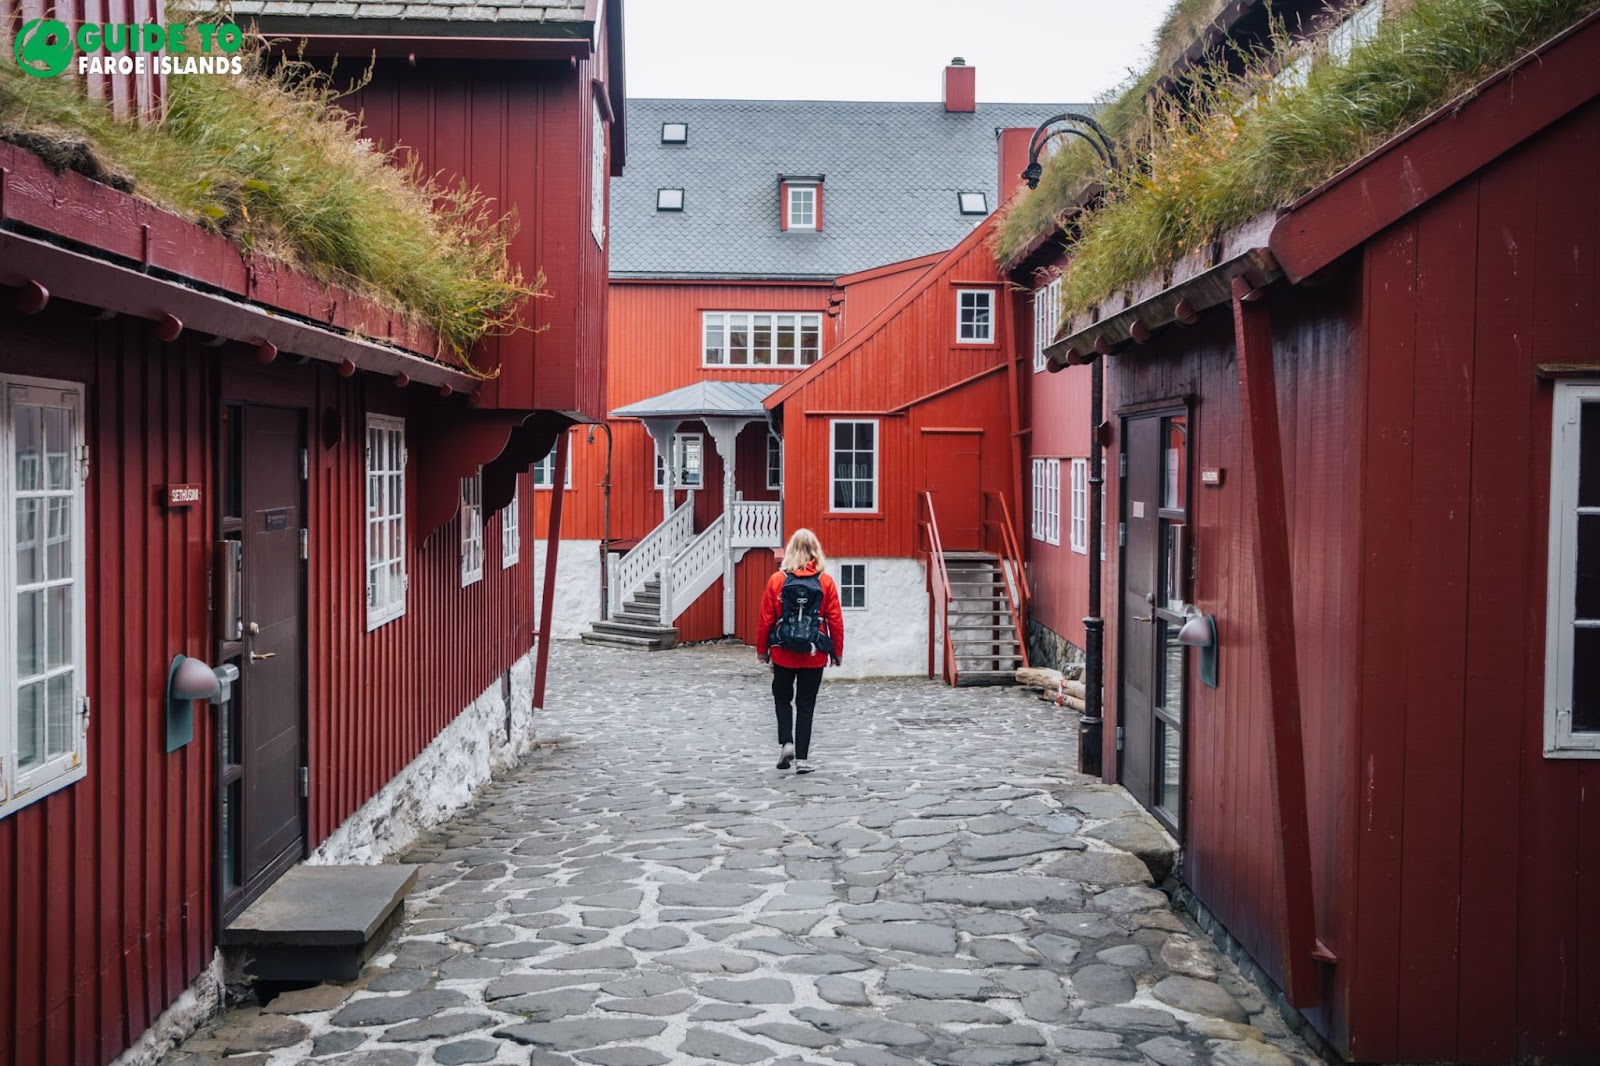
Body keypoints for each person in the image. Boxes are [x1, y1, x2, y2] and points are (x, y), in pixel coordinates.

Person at [756, 529, 845, 775]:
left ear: (790, 551)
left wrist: (762, 650)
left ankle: (787, 742)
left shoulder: (777, 580)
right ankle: (803, 760)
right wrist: (836, 651)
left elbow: (766, 619)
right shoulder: (824, 581)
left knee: (782, 698)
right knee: (806, 705)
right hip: (814, 653)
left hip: (784, 652)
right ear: (815, 551)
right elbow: (835, 620)